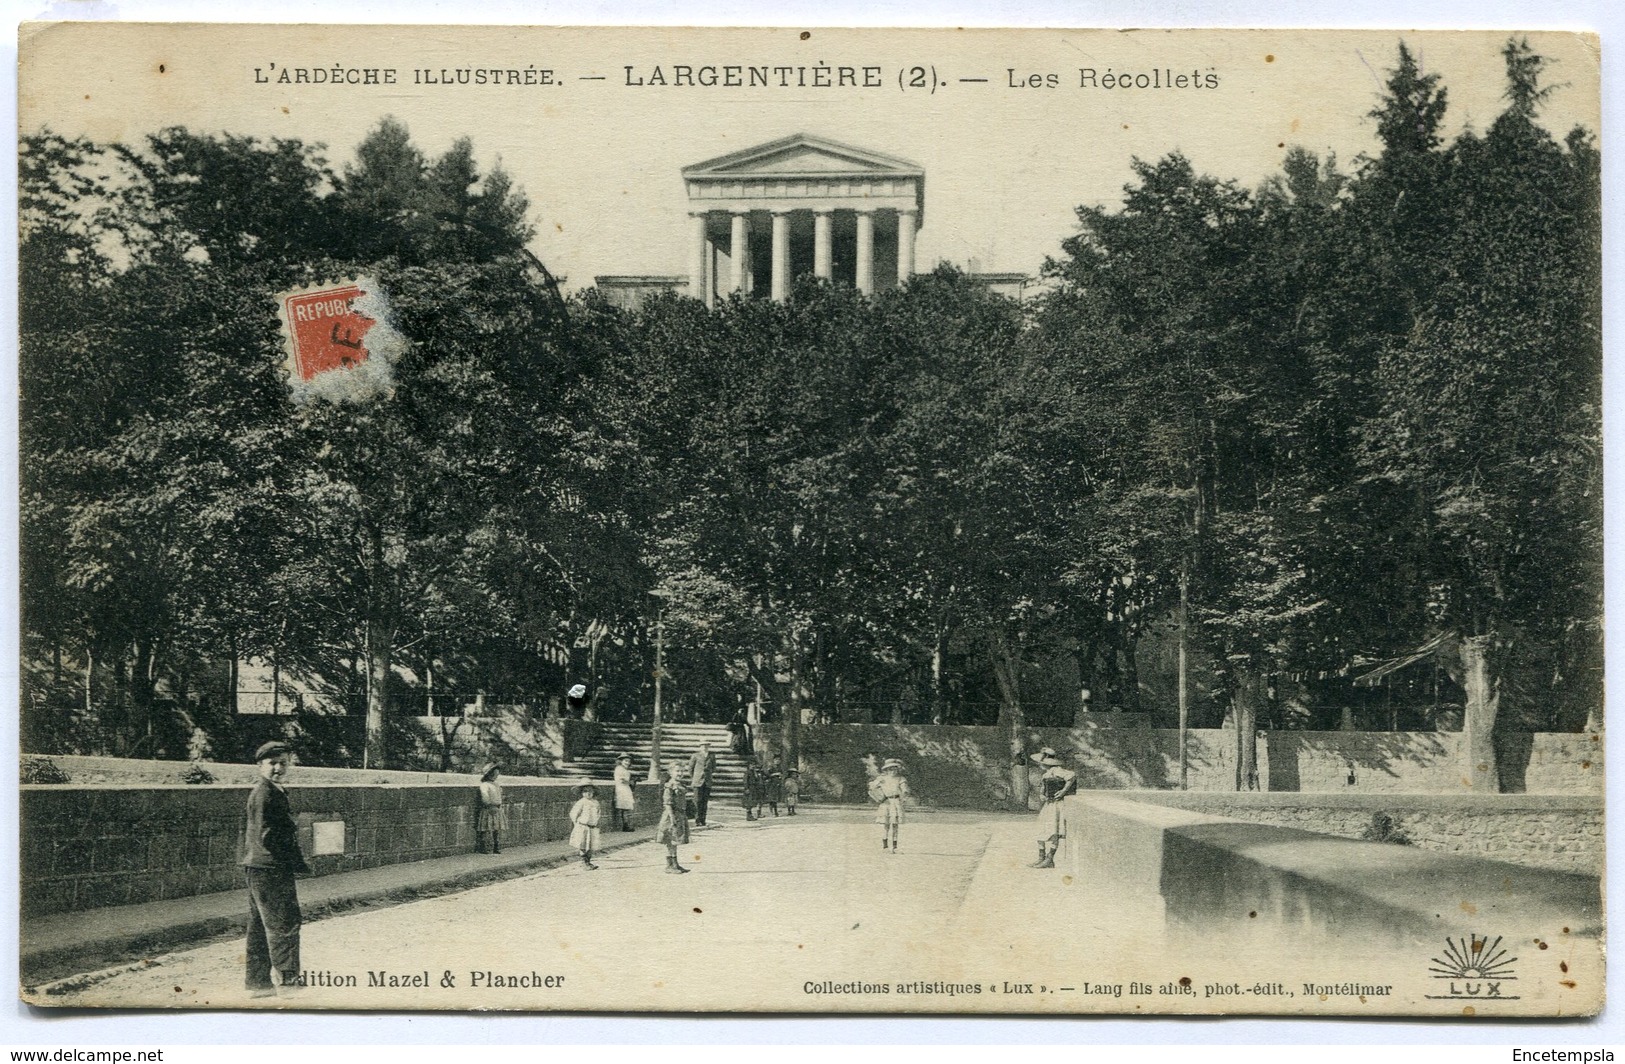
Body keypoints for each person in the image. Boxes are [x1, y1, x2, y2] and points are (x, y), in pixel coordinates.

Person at [241, 740, 310, 997]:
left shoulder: (271, 790)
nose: (278, 768)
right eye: (272, 763)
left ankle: (259, 984)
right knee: (285, 924)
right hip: (270, 867)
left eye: (283, 762)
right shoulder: (265, 793)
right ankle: (290, 983)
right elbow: (267, 835)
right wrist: (290, 857)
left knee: (260, 926)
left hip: (259, 866)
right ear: (260, 766)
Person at [1029, 746, 1079, 869]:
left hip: (1057, 805)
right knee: (1040, 829)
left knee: (1053, 831)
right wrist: (1042, 795)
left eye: (1041, 762)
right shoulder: (1046, 774)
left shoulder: (1057, 770)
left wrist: (1063, 791)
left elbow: (1072, 776)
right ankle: (1041, 857)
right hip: (1049, 804)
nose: (1039, 764)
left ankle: (1050, 859)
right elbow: (1043, 788)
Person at [656, 764, 691, 874]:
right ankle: (670, 865)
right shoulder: (669, 786)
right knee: (671, 840)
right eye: (677, 771)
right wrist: (672, 818)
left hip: (679, 815)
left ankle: (674, 863)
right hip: (671, 816)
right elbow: (667, 803)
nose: (680, 773)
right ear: (671, 772)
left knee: (674, 840)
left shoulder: (680, 785)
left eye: (682, 771)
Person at [872, 758, 910, 853]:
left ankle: (894, 847)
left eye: (895, 769)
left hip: (896, 802)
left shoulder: (901, 779)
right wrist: (877, 785)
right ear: (886, 770)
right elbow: (872, 787)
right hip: (886, 802)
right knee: (886, 825)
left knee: (895, 825)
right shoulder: (882, 778)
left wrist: (905, 793)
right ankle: (885, 847)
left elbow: (905, 789)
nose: (893, 771)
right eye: (891, 769)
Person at [569, 783, 603, 870]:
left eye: (590, 791)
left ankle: (588, 861)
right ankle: (583, 862)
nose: (588, 793)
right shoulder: (581, 802)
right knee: (583, 845)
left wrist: (596, 822)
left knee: (591, 846)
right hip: (583, 826)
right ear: (582, 793)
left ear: (593, 792)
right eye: (585, 791)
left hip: (592, 827)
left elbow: (598, 813)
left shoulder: (596, 803)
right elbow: (573, 813)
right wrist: (576, 823)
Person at [476, 762, 507, 854]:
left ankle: (495, 846)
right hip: (488, 809)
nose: (495, 776)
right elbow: (485, 797)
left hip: (497, 809)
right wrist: (489, 805)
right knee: (486, 828)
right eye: (494, 774)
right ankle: (484, 847)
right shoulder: (485, 785)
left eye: (496, 774)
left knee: (496, 829)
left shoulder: (496, 785)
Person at [688, 741, 717, 826]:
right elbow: (690, 768)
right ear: (700, 747)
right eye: (703, 745)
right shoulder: (695, 756)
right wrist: (695, 778)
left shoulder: (712, 756)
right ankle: (697, 820)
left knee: (705, 802)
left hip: (707, 782)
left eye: (706, 746)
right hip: (697, 782)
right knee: (697, 801)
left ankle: (703, 820)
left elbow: (714, 768)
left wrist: (708, 775)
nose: (704, 747)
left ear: (708, 746)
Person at [612, 752, 637, 831]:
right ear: (621, 761)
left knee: (626, 808)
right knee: (624, 808)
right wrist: (630, 782)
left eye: (628, 761)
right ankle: (625, 825)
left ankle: (626, 825)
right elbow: (621, 780)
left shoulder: (625, 770)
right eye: (625, 761)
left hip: (625, 789)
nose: (627, 763)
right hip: (621, 789)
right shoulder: (619, 769)